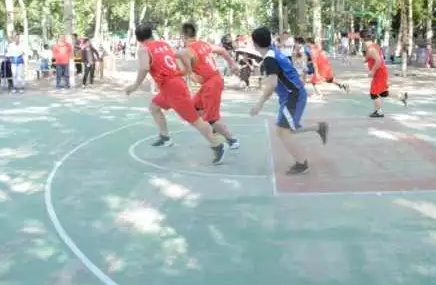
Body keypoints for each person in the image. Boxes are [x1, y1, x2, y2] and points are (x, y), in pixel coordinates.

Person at [124, 23, 227, 165]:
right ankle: (165, 137)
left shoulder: (143, 49)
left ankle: (217, 145)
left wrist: (135, 85)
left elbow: (144, 67)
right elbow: (179, 57)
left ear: (138, 38)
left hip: (172, 88)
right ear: (151, 34)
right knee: (154, 107)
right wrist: (185, 71)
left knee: (195, 120)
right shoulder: (164, 44)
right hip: (172, 84)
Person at [249, 26, 328, 175]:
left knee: (283, 131)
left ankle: (301, 163)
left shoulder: (270, 58)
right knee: (286, 128)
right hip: (292, 95)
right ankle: (318, 128)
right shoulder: (273, 52)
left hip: (293, 96)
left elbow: (272, 84)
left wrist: (259, 104)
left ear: (255, 44)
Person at [179, 22, 240, 149]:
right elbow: (222, 50)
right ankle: (215, 128)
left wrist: (187, 74)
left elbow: (194, 77)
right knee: (193, 106)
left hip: (211, 85)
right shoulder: (204, 44)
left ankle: (232, 140)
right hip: (212, 81)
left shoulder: (187, 52)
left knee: (212, 119)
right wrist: (232, 63)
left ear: (183, 36)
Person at [362, 29, 407, 117]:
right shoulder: (374, 46)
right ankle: (402, 97)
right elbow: (374, 57)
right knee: (383, 93)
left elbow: (378, 60)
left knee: (373, 93)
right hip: (381, 72)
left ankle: (379, 112)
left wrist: (372, 71)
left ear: (362, 39)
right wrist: (366, 60)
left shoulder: (371, 48)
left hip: (379, 73)